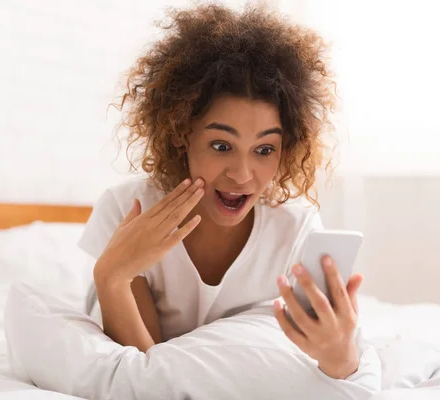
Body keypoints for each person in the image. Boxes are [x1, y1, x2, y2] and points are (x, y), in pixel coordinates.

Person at [78, 3, 365, 381]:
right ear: (182, 134)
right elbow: (141, 375)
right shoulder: (130, 209)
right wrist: (111, 278)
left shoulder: (295, 230)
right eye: (221, 146)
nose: (242, 175)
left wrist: (341, 356)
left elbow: (328, 368)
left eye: (264, 150)